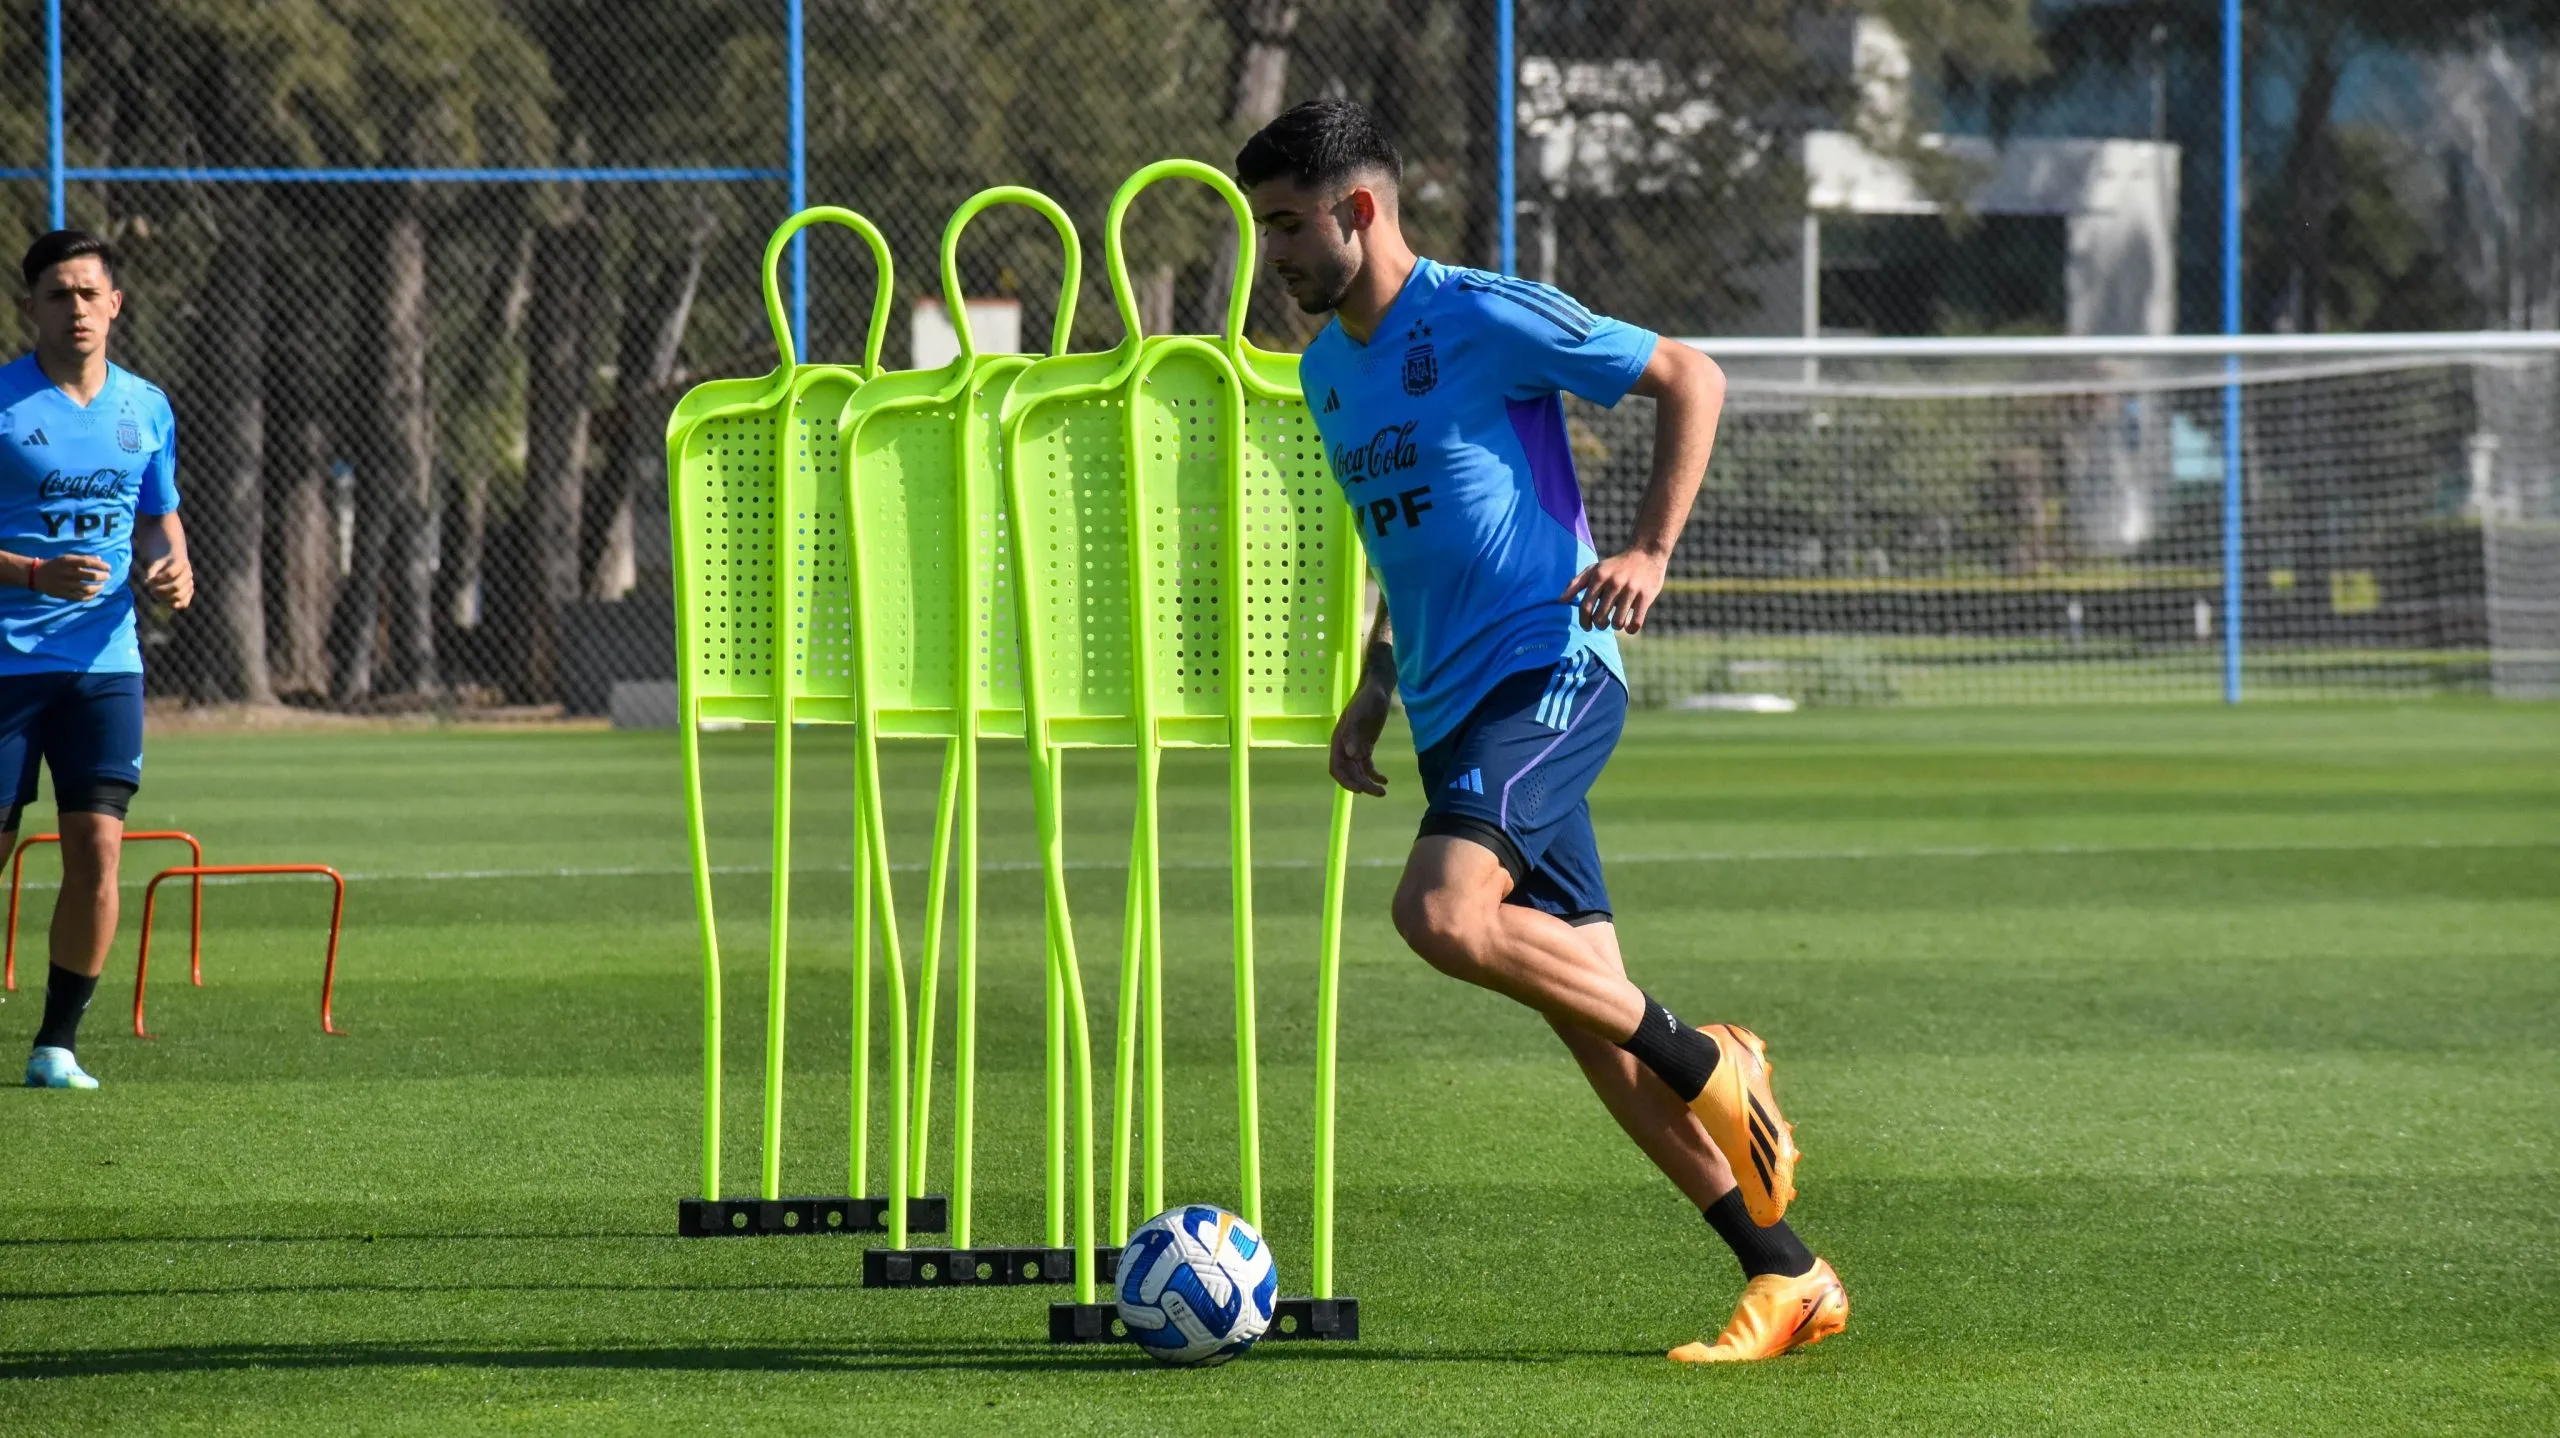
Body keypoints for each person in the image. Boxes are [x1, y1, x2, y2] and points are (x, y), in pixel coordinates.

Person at [1239, 101, 1845, 1363]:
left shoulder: (1476, 312)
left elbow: (1692, 373)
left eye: (1289, 225)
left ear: (1359, 210)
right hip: (1456, 704)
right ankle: (1787, 1274)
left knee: (1444, 915)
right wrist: (1374, 683)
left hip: (1550, 670)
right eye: (1263, 230)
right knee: (1588, 1018)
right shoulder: (1323, 368)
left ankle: (1711, 1056)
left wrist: (1649, 549)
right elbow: (1409, 542)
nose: (1273, 256)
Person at [4, 229, 191, 1089]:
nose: (75, 308)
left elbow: (157, 515)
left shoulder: (146, 406)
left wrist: (171, 566)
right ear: (30, 306)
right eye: (58, 294)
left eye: (89, 293)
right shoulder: (3, 404)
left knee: (99, 853)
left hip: (105, 660)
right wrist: (34, 572)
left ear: (115, 304)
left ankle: (56, 1047)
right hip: (6, 661)